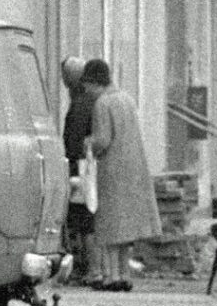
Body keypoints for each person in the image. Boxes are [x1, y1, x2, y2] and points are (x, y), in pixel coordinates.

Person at [83, 59, 158, 291]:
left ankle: (111, 276)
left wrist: (88, 143)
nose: (86, 90)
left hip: (113, 169)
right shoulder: (127, 99)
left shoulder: (102, 104)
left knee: (110, 225)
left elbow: (103, 139)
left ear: (94, 83)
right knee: (126, 229)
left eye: (86, 85)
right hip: (134, 170)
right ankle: (125, 274)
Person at [60, 56, 97, 285]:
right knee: (84, 218)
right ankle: (86, 266)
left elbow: (73, 139)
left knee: (80, 219)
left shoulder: (80, 104)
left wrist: (69, 163)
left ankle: (85, 267)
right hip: (86, 166)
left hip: (79, 168)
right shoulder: (87, 101)